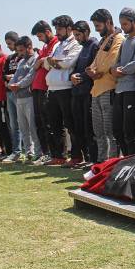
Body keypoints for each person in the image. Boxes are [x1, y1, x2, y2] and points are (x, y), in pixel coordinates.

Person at [42, 15, 82, 166]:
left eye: (59, 29)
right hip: (52, 88)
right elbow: (46, 64)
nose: (57, 32)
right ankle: (59, 155)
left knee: (70, 124)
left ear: (69, 29)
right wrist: (53, 62)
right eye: (56, 29)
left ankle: (77, 156)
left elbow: (67, 63)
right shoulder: (57, 45)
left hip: (65, 88)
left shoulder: (75, 43)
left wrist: (53, 62)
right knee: (54, 124)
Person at [87, 8, 125, 163]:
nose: (96, 29)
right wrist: (90, 70)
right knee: (99, 131)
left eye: (98, 26)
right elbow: (94, 63)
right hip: (96, 90)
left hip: (109, 89)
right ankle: (101, 163)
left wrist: (97, 71)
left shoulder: (119, 38)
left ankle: (112, 163)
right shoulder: (104, 40)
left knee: (110, 131)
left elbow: (112, 61)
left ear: (108, 22)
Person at [111, 7, 135, 156]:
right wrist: (114, 70)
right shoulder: (125, 42)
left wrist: (121, 70)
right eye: (121, 24)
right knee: (117, 130)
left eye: (125, 24)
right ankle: (125, 161)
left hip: (133, 89)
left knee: (129, 130)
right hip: (119, 89)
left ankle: (133, 162)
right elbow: (116, 62)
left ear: (134, 22)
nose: (123, 27)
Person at [70, 20, 99, 167]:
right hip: (77, 93)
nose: (76, 38)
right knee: (79, 127)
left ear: (87, 32)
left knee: (90, 128)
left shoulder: (94, 45)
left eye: (78, 34)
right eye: (74, 35)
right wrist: (73, 76)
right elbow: (77, 68)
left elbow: (94, 69)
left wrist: (80, 76)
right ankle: (86, 158)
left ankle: (93, 159)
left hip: (88, 92)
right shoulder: (82, 48)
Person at [8, 36, 41, 163]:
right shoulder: (21, 61)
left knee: (33, 127)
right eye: (18, 51)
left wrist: (18, 85)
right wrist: (11, 84)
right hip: (19, 98)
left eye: (22, 50)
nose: (20, 53)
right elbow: (14, 77)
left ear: (29, 47)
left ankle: (38, 152)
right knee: (23, 127)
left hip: (30, 97)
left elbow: (31, 76)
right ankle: (28, 153)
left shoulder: (35, 58)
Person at [31, 20, 59, 164]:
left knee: (48, 122)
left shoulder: (55, 44)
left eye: (40, 36)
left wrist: (42, 61)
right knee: (40, 122)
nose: (40, 39)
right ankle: (45, 152)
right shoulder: (45, 46)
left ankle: (53, 153)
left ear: (48, 32)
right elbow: (36, 66)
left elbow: (47, 64)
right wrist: (41, 61)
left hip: (46, 88)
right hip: (37, 87)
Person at [2, 31, 22, 162]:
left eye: (9, 43)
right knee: (13, 123)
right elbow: (4, 74)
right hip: (9, 93)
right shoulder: (9, 58)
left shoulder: (24, 57)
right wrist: (7, 79)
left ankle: (28, 150)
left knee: (25, 123)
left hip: (21, 93)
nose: (8, 46)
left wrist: (14, 77)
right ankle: (16, 151)